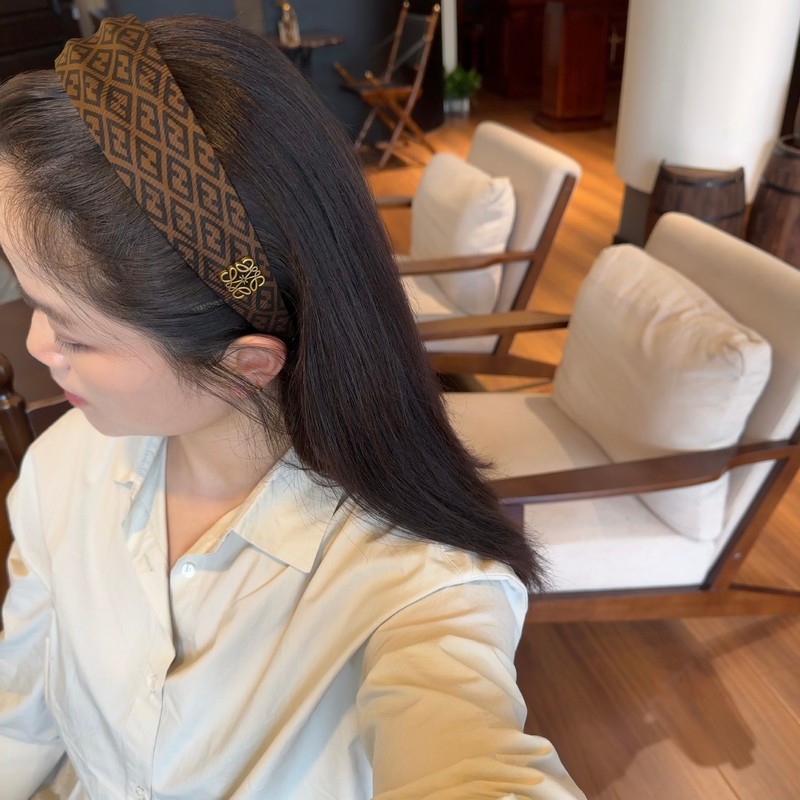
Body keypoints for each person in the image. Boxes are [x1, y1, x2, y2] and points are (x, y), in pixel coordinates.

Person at [0, 14, 585, 800]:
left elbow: (471, 759)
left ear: (246, 365)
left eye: (73, 332)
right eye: (30, 302)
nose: (37, 345)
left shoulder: (418, 594)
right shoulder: (61, 469)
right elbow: (21, 712)